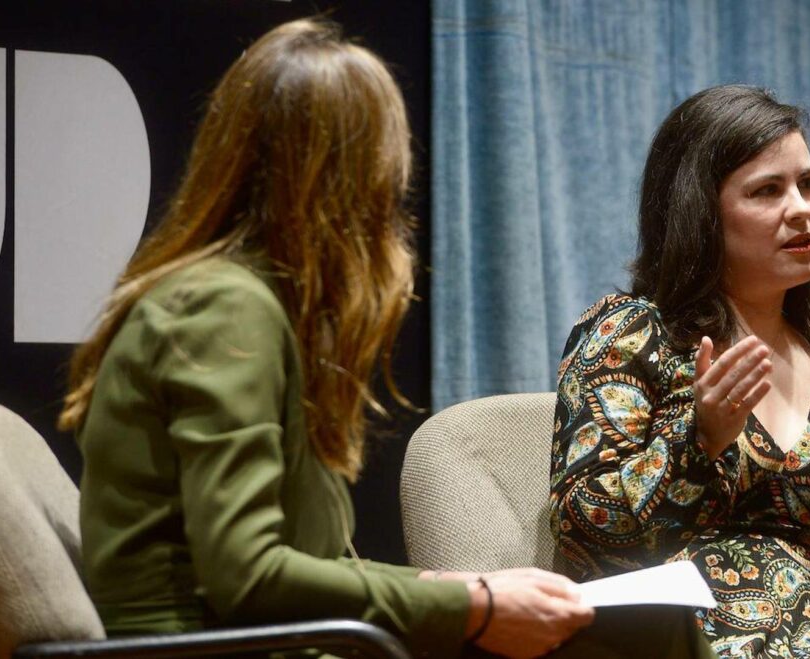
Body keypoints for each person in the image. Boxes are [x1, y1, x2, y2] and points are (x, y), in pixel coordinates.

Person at [58, 19, 599, 659]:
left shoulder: (241, 299)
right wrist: (471, 605)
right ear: (346, 183)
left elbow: (290, 561)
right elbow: (248, 574)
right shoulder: (223, 309)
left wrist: (454, 587)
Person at [550, 85, 810, 658]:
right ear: (700, 212)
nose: (802, 209)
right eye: (767, 191)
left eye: (806, 184)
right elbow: (583, 532)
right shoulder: (630, 335)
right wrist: (696, 442)